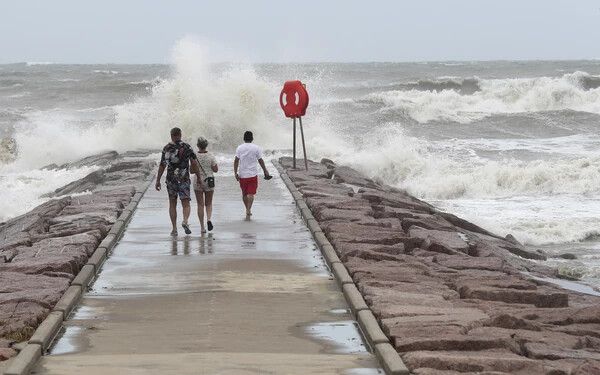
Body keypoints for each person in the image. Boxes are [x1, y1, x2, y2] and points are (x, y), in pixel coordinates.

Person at [155, 127, 200, 236]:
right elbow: (194, 163)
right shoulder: (187, 147)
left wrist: (158, 180)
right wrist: (198, 177)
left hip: (171, 180)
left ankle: (174, 229)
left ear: (171, 136)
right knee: (185, 203)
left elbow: (162, 165)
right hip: (184, 179)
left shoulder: (167, 148)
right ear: (180, 135)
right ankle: (185, 221)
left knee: (172, 203)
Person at [234, 131, 271, 217]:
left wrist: (235, 172)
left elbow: (236, 161)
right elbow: (260, 160)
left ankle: (247, 208)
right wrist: (265, 170)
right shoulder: (255, 148)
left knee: (244, 194)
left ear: (244, 138)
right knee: (251, 193)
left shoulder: (239, 148)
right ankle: (248, 209)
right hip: (252, 174)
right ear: (252, 138)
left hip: (242, 174)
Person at [193, 136, 218, 233]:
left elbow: (191, 170)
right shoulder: (211, 155)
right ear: (206, 145)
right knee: (208, 203)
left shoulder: (194, 155)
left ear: (197, 146)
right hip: (209, 181)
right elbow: (215, 169)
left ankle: (202, 227)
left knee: (200, 204)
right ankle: (209, 219)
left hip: (198, 181)